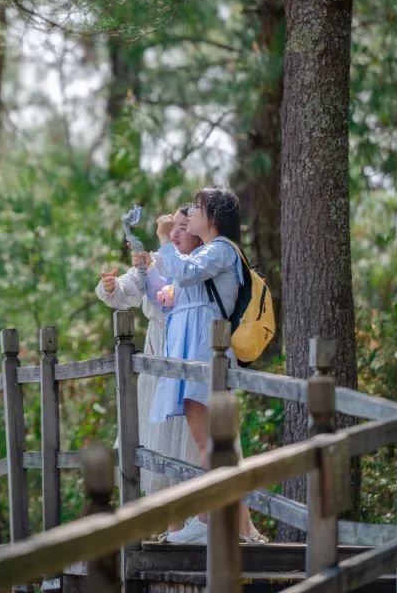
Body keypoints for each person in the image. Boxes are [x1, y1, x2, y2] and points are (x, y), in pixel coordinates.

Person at [139, 187, 266, 545]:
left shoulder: (223, 250)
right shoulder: (209, 251)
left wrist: (165, 236)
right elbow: (171, 275)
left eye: (197, 208)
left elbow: (186, 272)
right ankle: (214, 520)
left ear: (213, 217)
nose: (191, 212)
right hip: (189, 346)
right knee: (203, 439)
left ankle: (209, 520)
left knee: (209, 440)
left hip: (203, 346)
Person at [96, 207, 202, 537]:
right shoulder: (153, 258)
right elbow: (127, 291)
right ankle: (169, 525)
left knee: (186, 439)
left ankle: (190, 524)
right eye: (173, 226)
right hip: (157, 356)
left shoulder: (196, 263)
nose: (175, 232)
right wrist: (111, 286)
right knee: (157, 441)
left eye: (183, 226)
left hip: (188, 352)